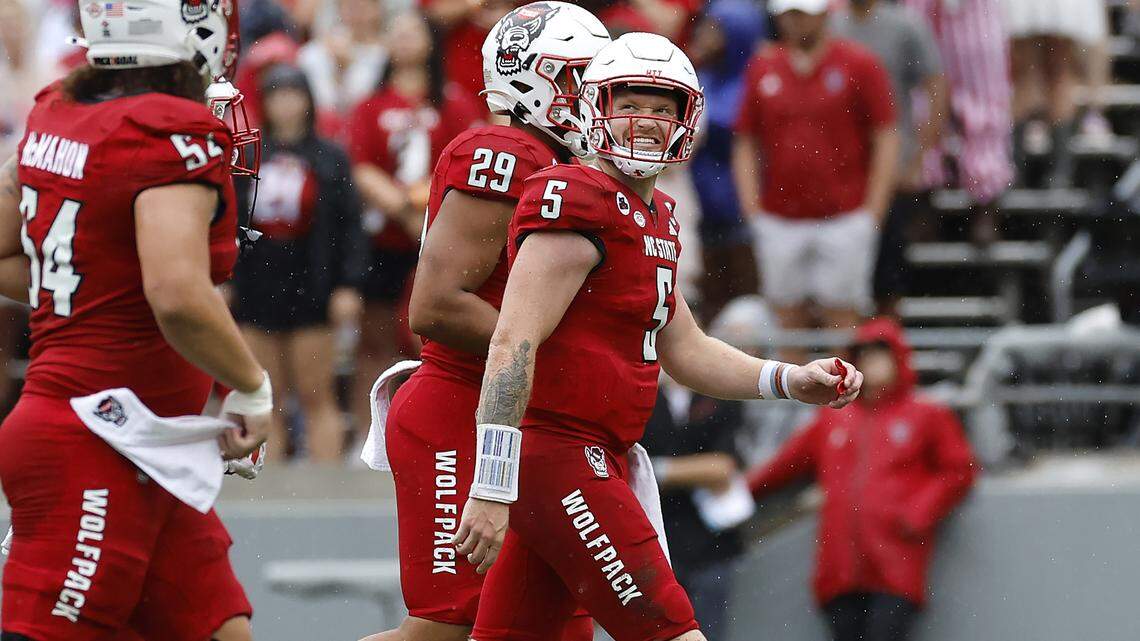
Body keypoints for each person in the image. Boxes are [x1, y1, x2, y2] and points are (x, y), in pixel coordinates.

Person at [452, 32, 863, 641]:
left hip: (592, 454)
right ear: (595, 108)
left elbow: (685, 347)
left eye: (662, 107)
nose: (646, 121)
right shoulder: (577, 196)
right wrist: (492, 480)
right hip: (561, 454)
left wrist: (787, 380)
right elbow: (514, 340)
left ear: (687, 119)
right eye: (631, 104)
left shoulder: (658, 213)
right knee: (672, 632)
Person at [0, 1, 270, 640]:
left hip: (145, 441)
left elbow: (15, 252)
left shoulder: (58, 111)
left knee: (220, 632)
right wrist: (252, 387)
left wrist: (100, 282)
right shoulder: (168, 127)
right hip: (96, 438)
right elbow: (176, 293)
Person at [359, 4, 612, 641]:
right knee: (448, 630)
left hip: (529, 420)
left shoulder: (571, 168)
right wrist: (561, 354)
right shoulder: (505, 153)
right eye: (586, 78)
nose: (601, 98)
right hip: (461, 408)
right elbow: (436, 306)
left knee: (561, 627)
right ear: (536, 79)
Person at [747, 317, 979, 641]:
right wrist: (738, 492)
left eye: (879, 353)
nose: (871, 361)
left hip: (896, 565)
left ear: (898, 358)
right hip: (839, 569)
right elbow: (784, 466)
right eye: (864, 354)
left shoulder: (927, 415)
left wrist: (917, 512)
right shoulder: (832, 418)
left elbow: (960, 470)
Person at [732, 0, 899, 360]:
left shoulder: (859, 63)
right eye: (789, 14)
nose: (795, 21)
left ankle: (840, 405)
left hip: (844, 213)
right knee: (785, 314)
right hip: (779, 216)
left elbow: (885, 134)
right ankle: (794, 407)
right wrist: (752, 208)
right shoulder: (763, 66)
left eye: (802, 13)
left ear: (824, 13)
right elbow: (746, 138)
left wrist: (873, 210)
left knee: (843, 316)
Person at [347, 10, 485, 441]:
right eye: (397, 33)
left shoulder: (454, 101)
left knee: (432, 338)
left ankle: (434, 430)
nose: (405, 41)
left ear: (430, 42)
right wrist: (405, 209)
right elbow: (361, 166)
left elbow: (470, 159)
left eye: (414, 32)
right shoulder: (372, 105)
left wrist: (427, 209)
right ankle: (371, 431)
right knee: (373, 339)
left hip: (443, 236)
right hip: (384, 236)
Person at [232, 63, 366, 463]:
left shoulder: (330, 157)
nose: (286, 104)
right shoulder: (249, 156)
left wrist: (349, 284)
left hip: (312, 281)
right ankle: (269, 491)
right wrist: (223, 277)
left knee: (316, 395)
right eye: (276, 95)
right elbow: (229, 219)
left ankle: (323, 491)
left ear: (308, 100)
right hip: (258, 281)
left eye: (293, 94)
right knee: (264, 397)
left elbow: (350, 225)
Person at [831, 0, 946, 316]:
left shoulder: (905, 26)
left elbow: (936, 85)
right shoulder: (831, 24)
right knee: (842, 283)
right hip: (842, 174)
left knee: (888, 277)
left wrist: (919, 157)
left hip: (893, 170)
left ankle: (885, 350)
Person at [639, 376, 752, 641]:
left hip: (710, 546)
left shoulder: (720, 395)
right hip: (656, 546)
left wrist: (656, 471)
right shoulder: (645, 397)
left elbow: (722, 468)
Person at [686, 0, 765, 323]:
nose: (704, 33)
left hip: (740, 209)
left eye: (715, 27)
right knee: (706, 299)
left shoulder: (757, 82)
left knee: (745, 300)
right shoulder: (698, 76)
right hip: (698, 206)